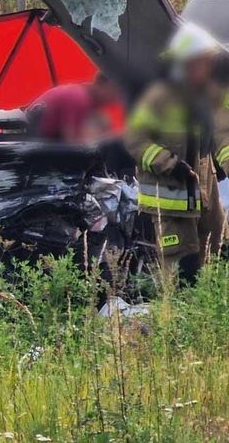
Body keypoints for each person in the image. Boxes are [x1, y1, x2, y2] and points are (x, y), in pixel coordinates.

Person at [125, 23, 227, 283]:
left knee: (216, 250)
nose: (208, 67)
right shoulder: (159, 96)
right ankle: (175, 307)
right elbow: (134, 139)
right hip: (171, 196)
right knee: (182, 269)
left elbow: (221, 135)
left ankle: (203, 304)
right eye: (203, 61)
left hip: (202, 190)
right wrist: (169, 164)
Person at [27, 73, 121, 144]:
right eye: (114, 91)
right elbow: (72, 142)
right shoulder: (79, 98)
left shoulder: (87, 96)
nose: (115, 98)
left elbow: (103, 131)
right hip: (36, 140)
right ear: (101, 84)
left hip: (44, 138)